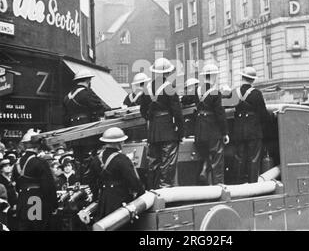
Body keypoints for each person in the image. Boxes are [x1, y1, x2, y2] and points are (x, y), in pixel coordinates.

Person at [140, 58, 184, 189]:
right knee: (168, 163)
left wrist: (151, 117)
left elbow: (143, 111)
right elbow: (177, 113)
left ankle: (152, 189)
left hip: (153, 130)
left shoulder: (147, 88)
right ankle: (164, 191)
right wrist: (181, 132)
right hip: (168, 130)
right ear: (167, 73)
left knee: (153, 163)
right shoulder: (170, 88)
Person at [87, 127, 145, 222]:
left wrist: (96, 197)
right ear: (119, 143)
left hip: (104, 200)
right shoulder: (122, 159)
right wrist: (141, 194)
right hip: (120, 199)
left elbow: (91, 181)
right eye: (122, 141)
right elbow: (133, 181)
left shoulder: (96, 160)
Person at [12, 129, 58, 231]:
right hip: (35, 202)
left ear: (24, 145)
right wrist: (54, 205)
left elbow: (16, 185)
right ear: (38, 145)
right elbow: (48, 186)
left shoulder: (17, 163)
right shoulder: (40, 162)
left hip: (22, 202)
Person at [231, 67, 270, 184]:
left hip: (238, 130)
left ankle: (239, 184)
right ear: (252, 80)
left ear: (242, 77)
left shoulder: (234, 92)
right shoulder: (257, 94)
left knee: (239, 158)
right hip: (253, 131)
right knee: (253, 158)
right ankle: (252, 184)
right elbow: (263, 114)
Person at [194, 64, 229, 186]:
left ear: (204, 77)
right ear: (214, 76)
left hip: (199, 129)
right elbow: (220, 114)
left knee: (204, 156)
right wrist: (225, 132)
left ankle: (204, 180)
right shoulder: (215, 92)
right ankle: (218, 187)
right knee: (217, 160)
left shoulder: (197, 91)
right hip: (212, 130)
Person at [0, 158, 17, 230]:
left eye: (9, 165)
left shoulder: (10, 178)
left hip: (14, 207)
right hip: (7, 209)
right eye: (5, 166)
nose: (8, 167)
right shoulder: (1, 180)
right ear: (1, 169)